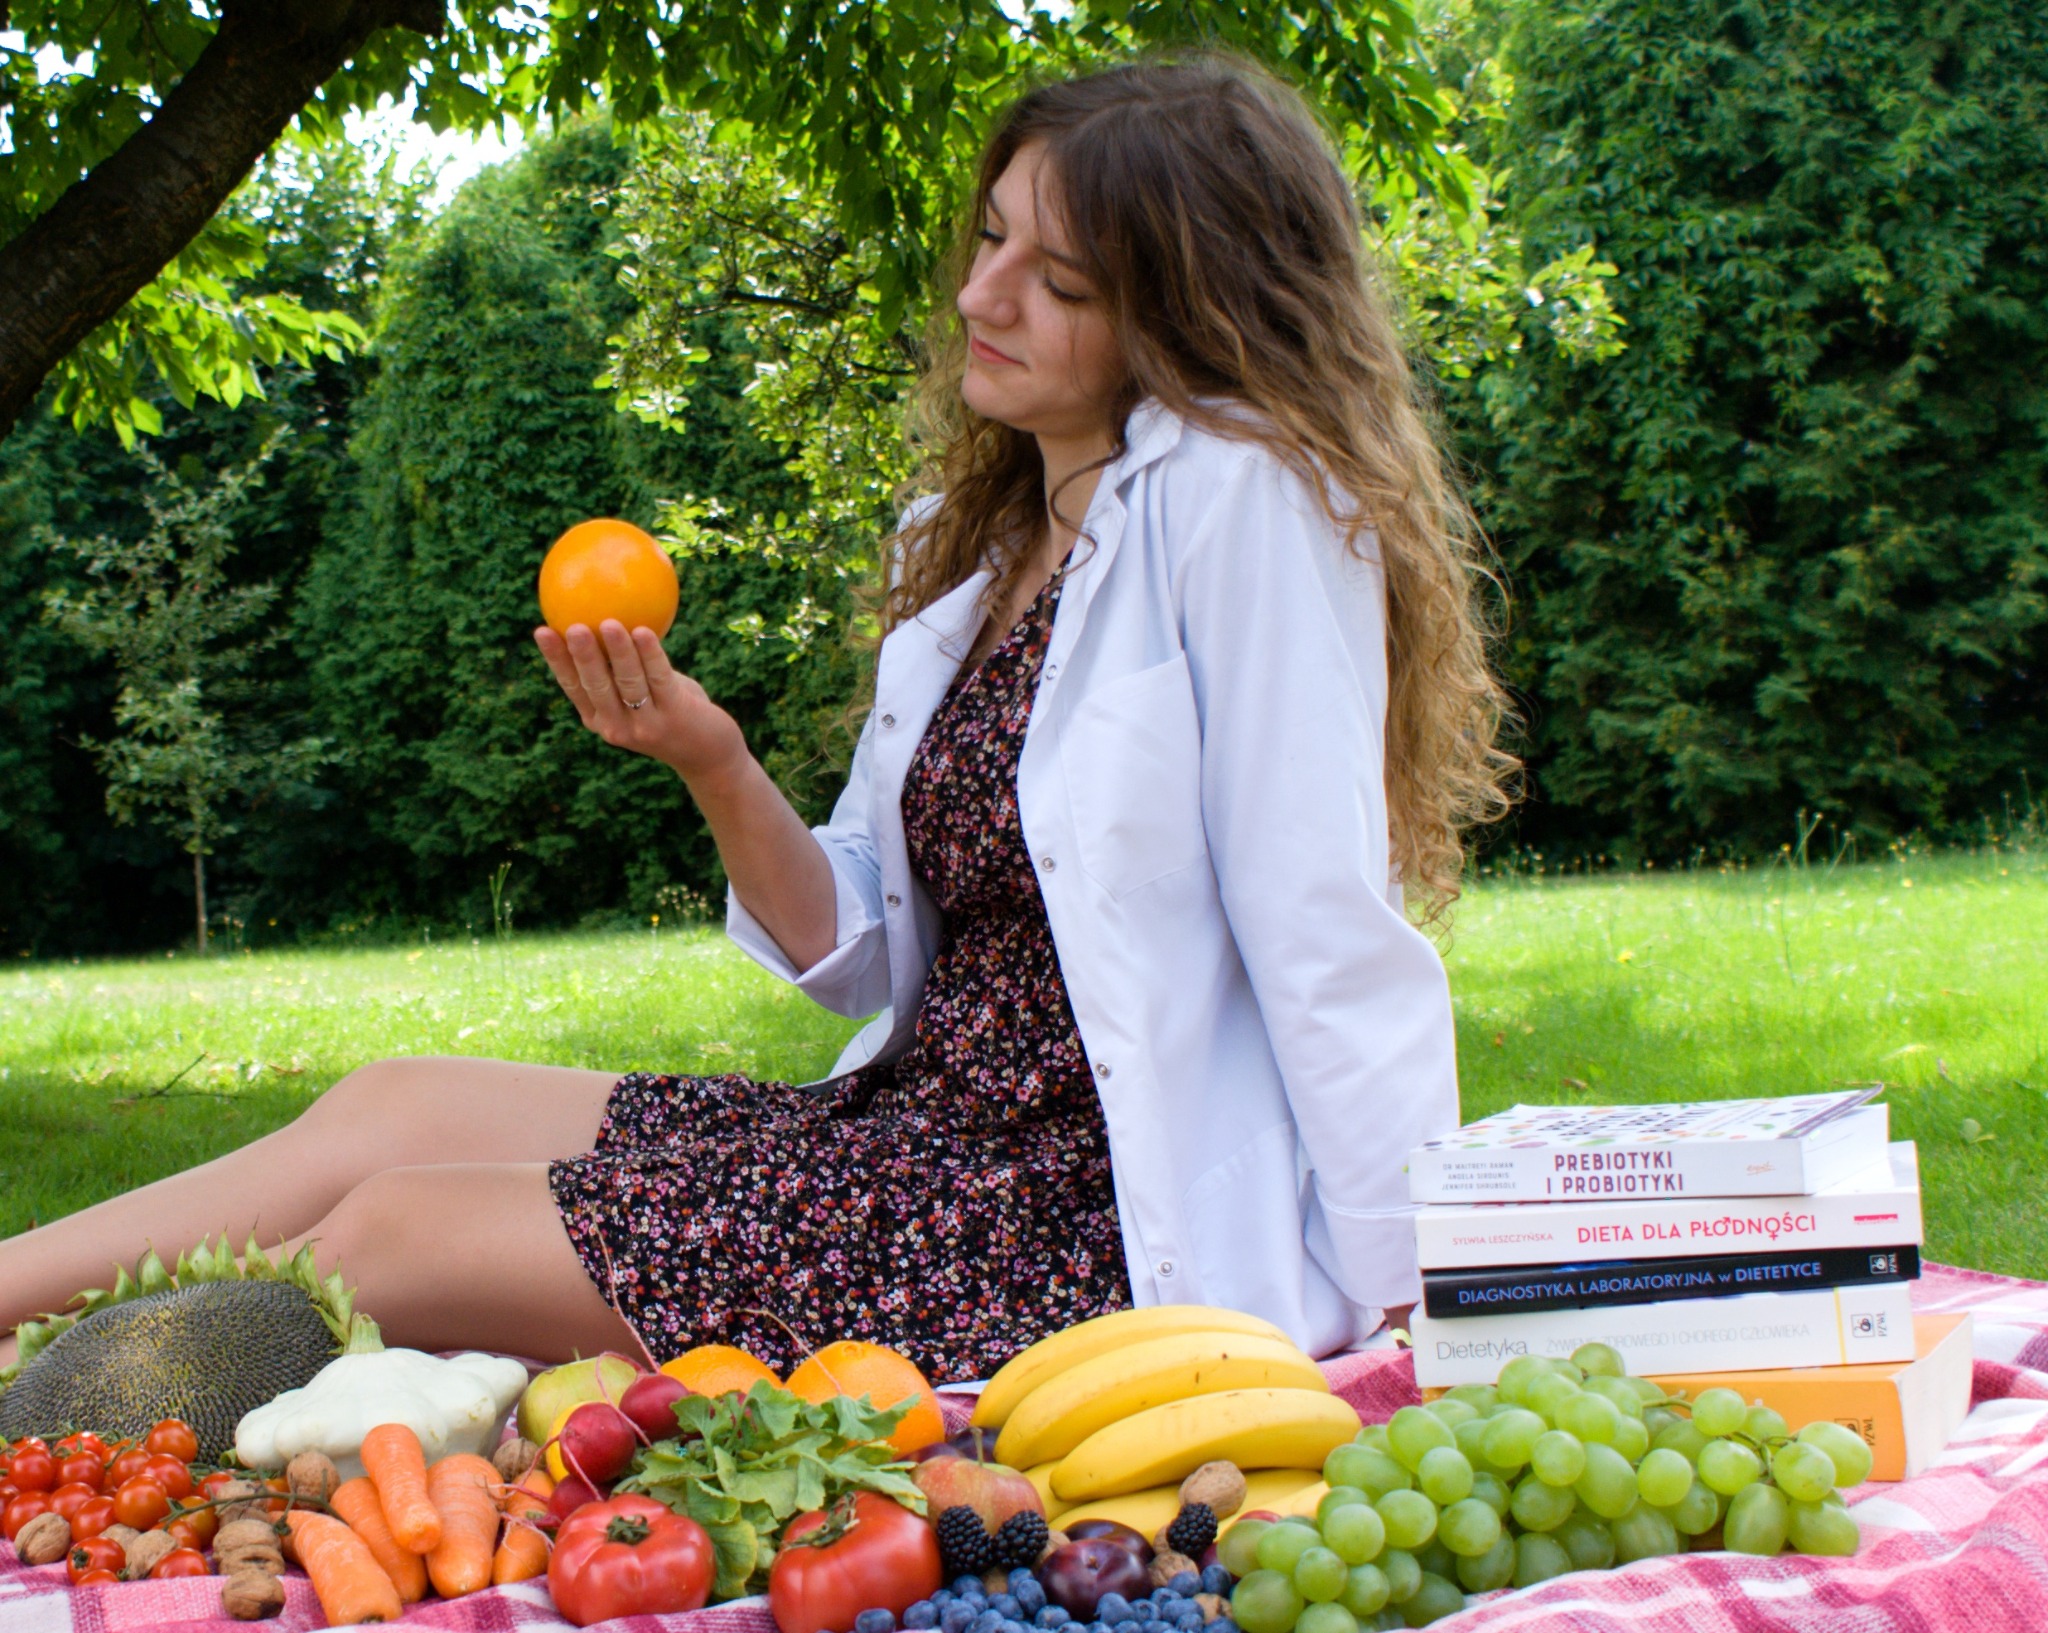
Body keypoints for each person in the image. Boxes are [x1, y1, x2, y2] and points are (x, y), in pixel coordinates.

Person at [0, 57, 1513, 1381]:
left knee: (392, 1235)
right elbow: (856, 946)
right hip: (911, 1143)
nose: (983, 296)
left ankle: (40, 1387)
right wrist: (706, 754)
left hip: (1074, 1228)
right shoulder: (992, 551)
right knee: (395, 1105)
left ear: (1190, 314)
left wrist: (1427, 1306)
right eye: (991, 239)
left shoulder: (1243, 496)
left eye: (1059, 281)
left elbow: (1330, 932)